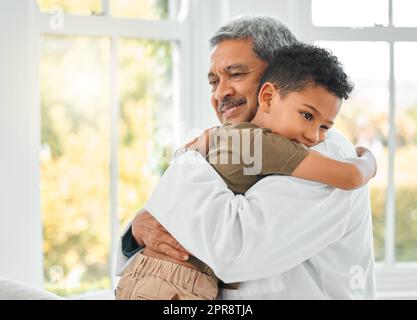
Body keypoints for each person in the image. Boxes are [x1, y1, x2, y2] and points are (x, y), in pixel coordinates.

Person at [116, 15, 377, 299]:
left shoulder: (318, 150)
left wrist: (188, 159)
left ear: (277, 76)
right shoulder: (234, 143)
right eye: (214, 81)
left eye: (236, 74)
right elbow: (180, 219)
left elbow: (233, 251)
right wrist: (138, 231)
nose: (220, 93)